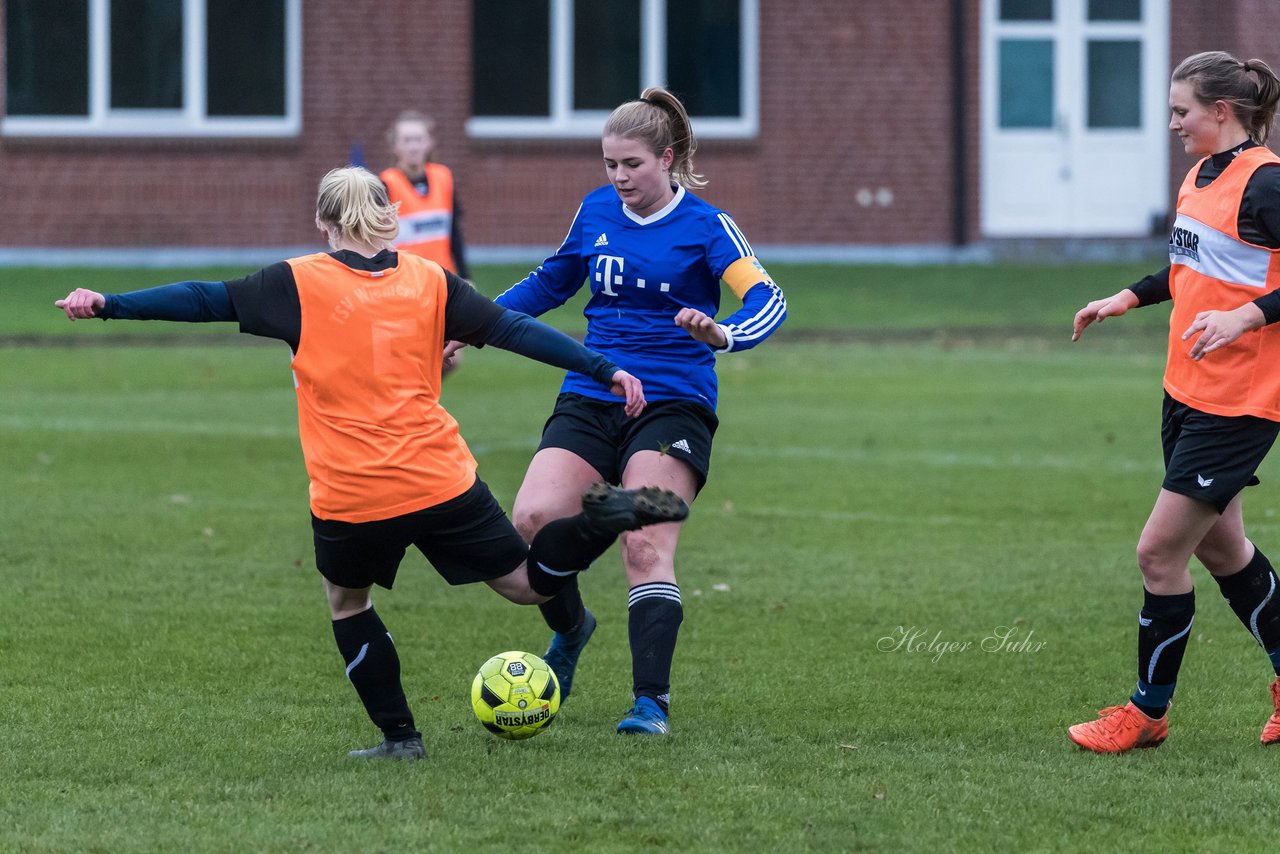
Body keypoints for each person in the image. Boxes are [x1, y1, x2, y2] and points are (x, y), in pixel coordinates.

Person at [53, 166, 689, 761]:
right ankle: (605, 519)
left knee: (347, 602)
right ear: (388, 216)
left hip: (353, 494)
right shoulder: (431, 281)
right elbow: (516, 329)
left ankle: (401, 738)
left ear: (325, 222)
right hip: (440, 479)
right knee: (527, 585)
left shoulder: (294, 283)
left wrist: (108, 302)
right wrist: (602, 367)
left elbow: (199, 298)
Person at [478, 87, 787, 735]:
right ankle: (570, 631)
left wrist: (722, 334)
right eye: (610, 165)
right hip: (594, 394)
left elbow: (768, 301)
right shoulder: (596, 211)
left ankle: (650, 703)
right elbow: (552, 281)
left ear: (666, 158)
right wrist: (474, 321)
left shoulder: (706, 226)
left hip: (673, 403)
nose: (619, 178)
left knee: (643, 543)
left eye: (632, 165)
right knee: (532, 518)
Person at [1068, 51, 1280, 753]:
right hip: (1185, 392)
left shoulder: (1266, 183)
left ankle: (1147, 712)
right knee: (1224, 550)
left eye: (1181, 111)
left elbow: (1247, 292)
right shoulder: (1201, 175)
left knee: (1158, 553)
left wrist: (1245, 319)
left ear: (1222, 112)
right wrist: (1125, 297)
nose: (1171, 124)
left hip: (1239, 402)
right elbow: (1192, 265)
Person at [380, 111, 469, 278]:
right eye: (407, 140)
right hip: (405, 278)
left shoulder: (443, 177)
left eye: (419, 139)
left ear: (429, 143)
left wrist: (465, 275)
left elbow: (454, 230)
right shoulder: (386, 183)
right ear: (394, 146)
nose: (413, 147)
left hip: (442, 277)